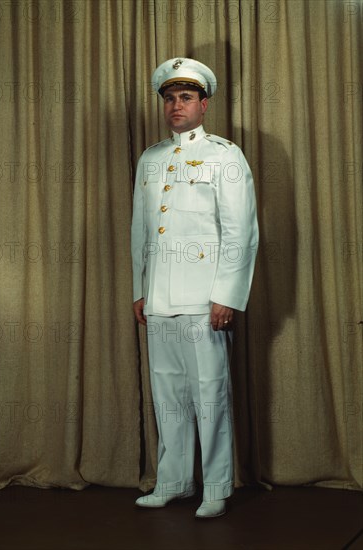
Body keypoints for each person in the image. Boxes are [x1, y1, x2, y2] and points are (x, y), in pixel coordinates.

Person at [131, 58, 259, 518]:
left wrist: (227, 293)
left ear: (204, 105)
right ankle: (173, 481)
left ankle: (217, 487)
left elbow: (239, 230)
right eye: (169, 98)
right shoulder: (151, 158)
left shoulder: (225, 156)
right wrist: (139, 289)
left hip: (205, 299)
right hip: (161, 298)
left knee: (210, 393)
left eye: (185, 97)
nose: (175, 106)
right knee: (167, 395)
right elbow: (141, 232)